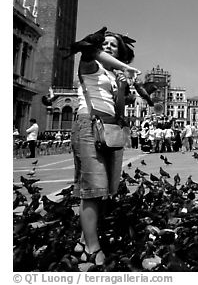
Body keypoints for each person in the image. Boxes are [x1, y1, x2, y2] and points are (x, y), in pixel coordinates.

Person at [71, 29, 141, 265]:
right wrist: (124, 67)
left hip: (109, 130)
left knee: (105, 190)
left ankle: (83, 240)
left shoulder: (112, 75)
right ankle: (93, 248)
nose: (109, 46)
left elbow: (119, 110)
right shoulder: (90, 65)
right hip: (89, 125)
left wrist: (121, 88)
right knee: (92, 189)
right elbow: (90, 49)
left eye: (114, 44)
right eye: (106, 43)